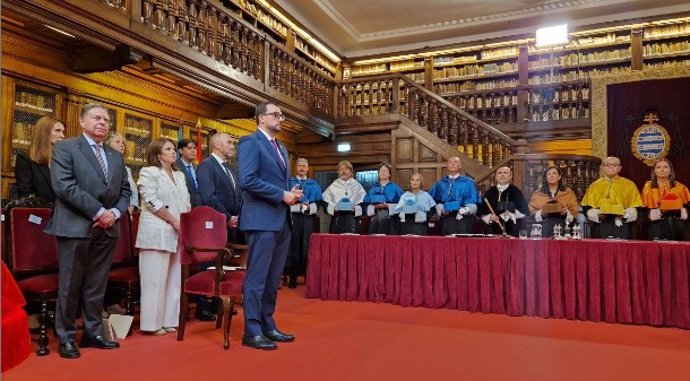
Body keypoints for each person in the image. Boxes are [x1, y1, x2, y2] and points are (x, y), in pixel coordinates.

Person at [45, 103, 131, 359]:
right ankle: (66, 338)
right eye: (96, 118)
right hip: (75, 226)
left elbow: (125, 191)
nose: (102, 122)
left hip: (107, 229)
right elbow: (64, 185)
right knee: (70, 285)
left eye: (106, 119)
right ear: (82, 121)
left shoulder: (115, 156)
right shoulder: (66, 147)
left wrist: (114, 214)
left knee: (96, 285)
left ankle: (93, 333)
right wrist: (98, 212)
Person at [238, 101, 303, 350]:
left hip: (281, 219)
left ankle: (268, 324)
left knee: (273, 277)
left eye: (282, 115)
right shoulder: (250, 143)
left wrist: (290, 193)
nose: (281, 118)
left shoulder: (282, 147)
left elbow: (277, 183)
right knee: (257, 277)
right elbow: (247, 180)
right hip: (261, 219)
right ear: (260, 118)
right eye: (276, 114)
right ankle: (251, 330)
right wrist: (281, 194)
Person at [135, 138, 190, 335]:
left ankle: (169, 320)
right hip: (157, 231)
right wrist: (174, 222)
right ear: (158, 154)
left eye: (174, 149)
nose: (173, 152)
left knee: (174, 279)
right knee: (154, 280)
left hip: (178, 231)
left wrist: (185, 222)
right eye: (168, 149)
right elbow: (151, 201)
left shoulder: (180, 175)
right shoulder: (148, 172)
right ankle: (152, 324)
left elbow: (186, 202)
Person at [195, 132, 242, 321]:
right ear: (217, 146)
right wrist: (227, 217)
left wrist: (237, 216)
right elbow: (208, 197)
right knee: (208, 265)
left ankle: (217, 303)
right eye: (229, 142)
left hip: (230, 225)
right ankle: (203, 305)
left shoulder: (230, 168)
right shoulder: (206, 166)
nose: (232, 146)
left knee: (223, 266)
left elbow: (236, 195)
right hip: (213, 225)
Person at [582, 156, 643, 239]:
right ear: (603, 167)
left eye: (614, 165)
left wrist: (624, 215)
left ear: (620, 168)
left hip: (622, 224)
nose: (611, 167)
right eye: (607, 165)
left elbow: (637, 207)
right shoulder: (594, 185)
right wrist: (597, 215)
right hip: (601, 225)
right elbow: (587, 207)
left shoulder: (629, 185)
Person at [286, 158, 322, 288]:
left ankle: (308, 279)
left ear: (308, 168)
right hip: (293, 217)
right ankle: (293, 279)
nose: (301, 168)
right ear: (296, 167)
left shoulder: (313, 184)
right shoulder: (289, 182)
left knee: (307, 247)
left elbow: (317, 204)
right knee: (293, 246)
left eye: (304, 166)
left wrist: (306, 208)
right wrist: (298, 207)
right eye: (299, 166)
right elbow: (285, 200)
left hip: (308, 218)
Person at [15, 115, 65, 204]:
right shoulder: (25, 159)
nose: (62, 135)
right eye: (58, 131)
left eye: (63, 132)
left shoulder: (63, 160)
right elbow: (26, 195)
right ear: (44, 133)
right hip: (41, 213)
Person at [429, 156, 481, 235]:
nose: (452, 164)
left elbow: (475, 202)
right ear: (447, 166)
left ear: (460, 166)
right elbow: (433, 201)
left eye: (455, 162)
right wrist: (440, 210)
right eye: (450, 162)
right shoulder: (440, 183)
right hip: (446, 219)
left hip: (464, 220)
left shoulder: (468, 182)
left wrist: (465, 209)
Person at [641, 158, 689, 240]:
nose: (662, 169)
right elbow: (642, 213)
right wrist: (659, 213)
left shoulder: (681, 187)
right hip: (656, 227)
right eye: (659, 167)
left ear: (671, 170)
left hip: (677, 225)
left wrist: (679, 212)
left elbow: (688, 209)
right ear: (654, 171)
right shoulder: (647, 188)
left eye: (666, 167)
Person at [528, 166, 579, 238]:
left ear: (559, 177)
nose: (551, 176)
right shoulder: (538, 194)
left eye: (554, 173)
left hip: (564, 227)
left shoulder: (568, 193)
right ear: (545, 178)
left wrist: (566, 212)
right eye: (548, 174)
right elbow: (532, 212)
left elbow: (574, 212)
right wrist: (542, 212)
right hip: (544, 228)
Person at [479, 166, 529, 237]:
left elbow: (524, 211)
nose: (502, 175)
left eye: (505, 173)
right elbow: (482, 211)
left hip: (512, 230)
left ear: (510, 176)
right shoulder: (489, 193)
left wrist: (511, 214)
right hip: (493, 231)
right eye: (499, 173)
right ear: (496, 176)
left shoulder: (516, 192)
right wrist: (490, 217)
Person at [322, 160, 366, 234]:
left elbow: (364, 204)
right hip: (337, 220)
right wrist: (334, 209)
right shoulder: (332, 186)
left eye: (346, 169)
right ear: (338, 172)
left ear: (351, 172)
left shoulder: (358, 187)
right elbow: (325, 203)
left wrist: (355, 209)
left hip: (353, 221)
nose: (343, 171)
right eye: (341, 169)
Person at [363, 162, 403, 235]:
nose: (383, 172)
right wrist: (374, 207)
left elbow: (402, 205)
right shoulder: (372, 188)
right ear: (378, 173)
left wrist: (388, 206)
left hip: (391, 220)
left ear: (389, 174)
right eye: (381, 170)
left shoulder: (396, 188)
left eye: (385, 170)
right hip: (374, 219)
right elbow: (365, 205)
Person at [105, 133, 138, 215]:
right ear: (108, 144)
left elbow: (133, 192)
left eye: (123, 143)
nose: (121, 145)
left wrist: (130, 210)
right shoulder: (101, 164)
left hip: (123, 213)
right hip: (104, 213)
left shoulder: (127, 169)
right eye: (117, 142)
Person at [176, 139, 202, 208]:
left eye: (195, 148)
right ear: (180, 151)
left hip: (198, 207)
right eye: (189, 148)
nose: (193, 151)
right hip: (182, 208)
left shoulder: (198, 167)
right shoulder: (174, 166)